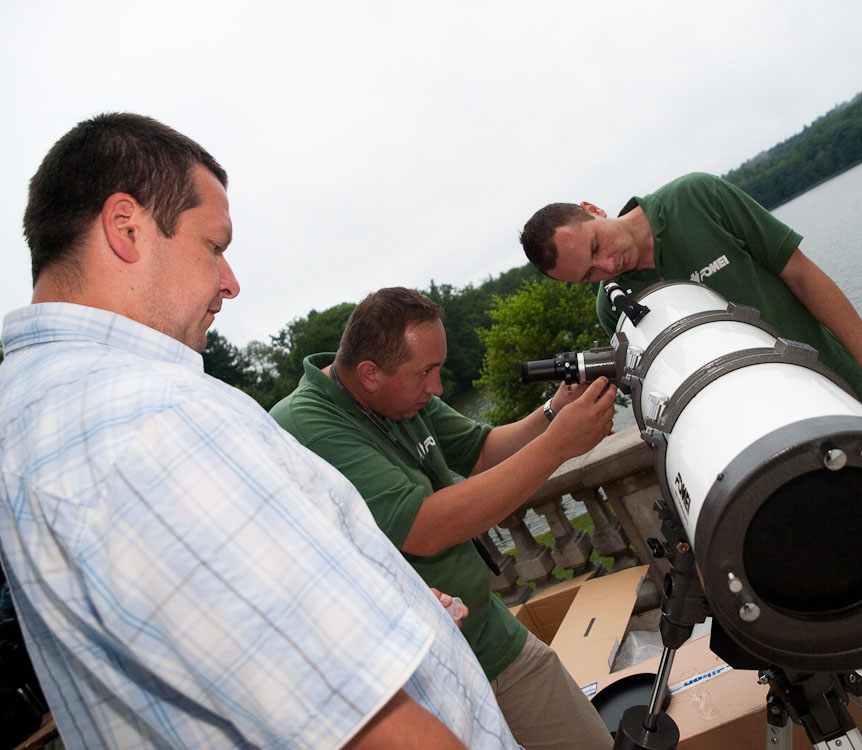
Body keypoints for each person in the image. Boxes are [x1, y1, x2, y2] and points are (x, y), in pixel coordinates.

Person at [0, 113, 519, 750]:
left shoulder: (33, 411)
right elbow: (369, 730)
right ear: (126, 226)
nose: (231, 281)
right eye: (213, 246)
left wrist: (383, 596)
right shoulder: (155, 420)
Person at [519, 171, 862, 744]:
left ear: (593, 208)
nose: (606, 270)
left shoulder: (696, 198)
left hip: (840, 407)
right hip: (761, 467)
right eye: (588, 275)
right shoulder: (616, 306)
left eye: (596, 248)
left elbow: (800, 273)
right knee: (851, 588)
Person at [270, 287, 617, 750]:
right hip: (420, 680)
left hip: (490, 634)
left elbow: (481, 451)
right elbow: (425, 528)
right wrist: (558, 445)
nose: (435, 388)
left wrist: (555, 411)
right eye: (425, 373)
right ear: (370, 374)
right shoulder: (307, 424)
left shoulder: (401, 395)